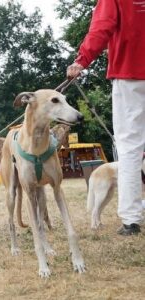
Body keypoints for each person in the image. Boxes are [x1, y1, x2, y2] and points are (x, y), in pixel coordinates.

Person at [67, 0, 145, 235]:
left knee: (130, 148)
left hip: (130, 73)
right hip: (130, 73)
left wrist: (82, 60)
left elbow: (102, 26)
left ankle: (131, 221)